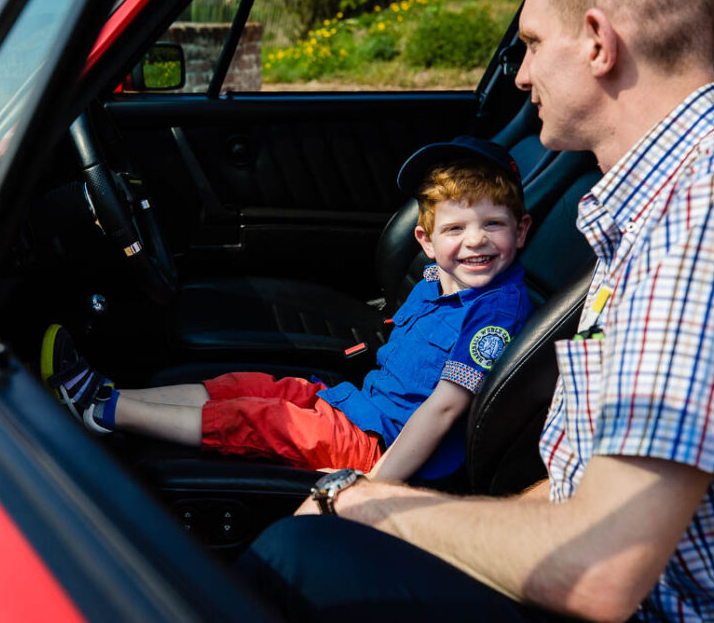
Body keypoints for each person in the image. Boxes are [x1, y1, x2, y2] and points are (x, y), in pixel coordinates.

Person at [239, 0, 714, 620]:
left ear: (597, 42)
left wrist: (363, 502)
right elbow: (577, 488)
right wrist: (389, 504)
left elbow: (604, 568)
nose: (522, 74)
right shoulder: (656, 208)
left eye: (531, 42)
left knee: (300, 557)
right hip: (642, 589)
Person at [42, 136, 533, 481]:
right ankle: (117, 393)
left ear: (522, 231)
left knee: (260, 419)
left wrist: (379, 486)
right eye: (455, 229)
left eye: (493, 224)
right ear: (425, 241)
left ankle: (102, 411)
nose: (475, 241)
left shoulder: (496, 313)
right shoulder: (438, 279)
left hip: (378, 447)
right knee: (253, 386)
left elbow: (445, 408)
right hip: (359, 405)